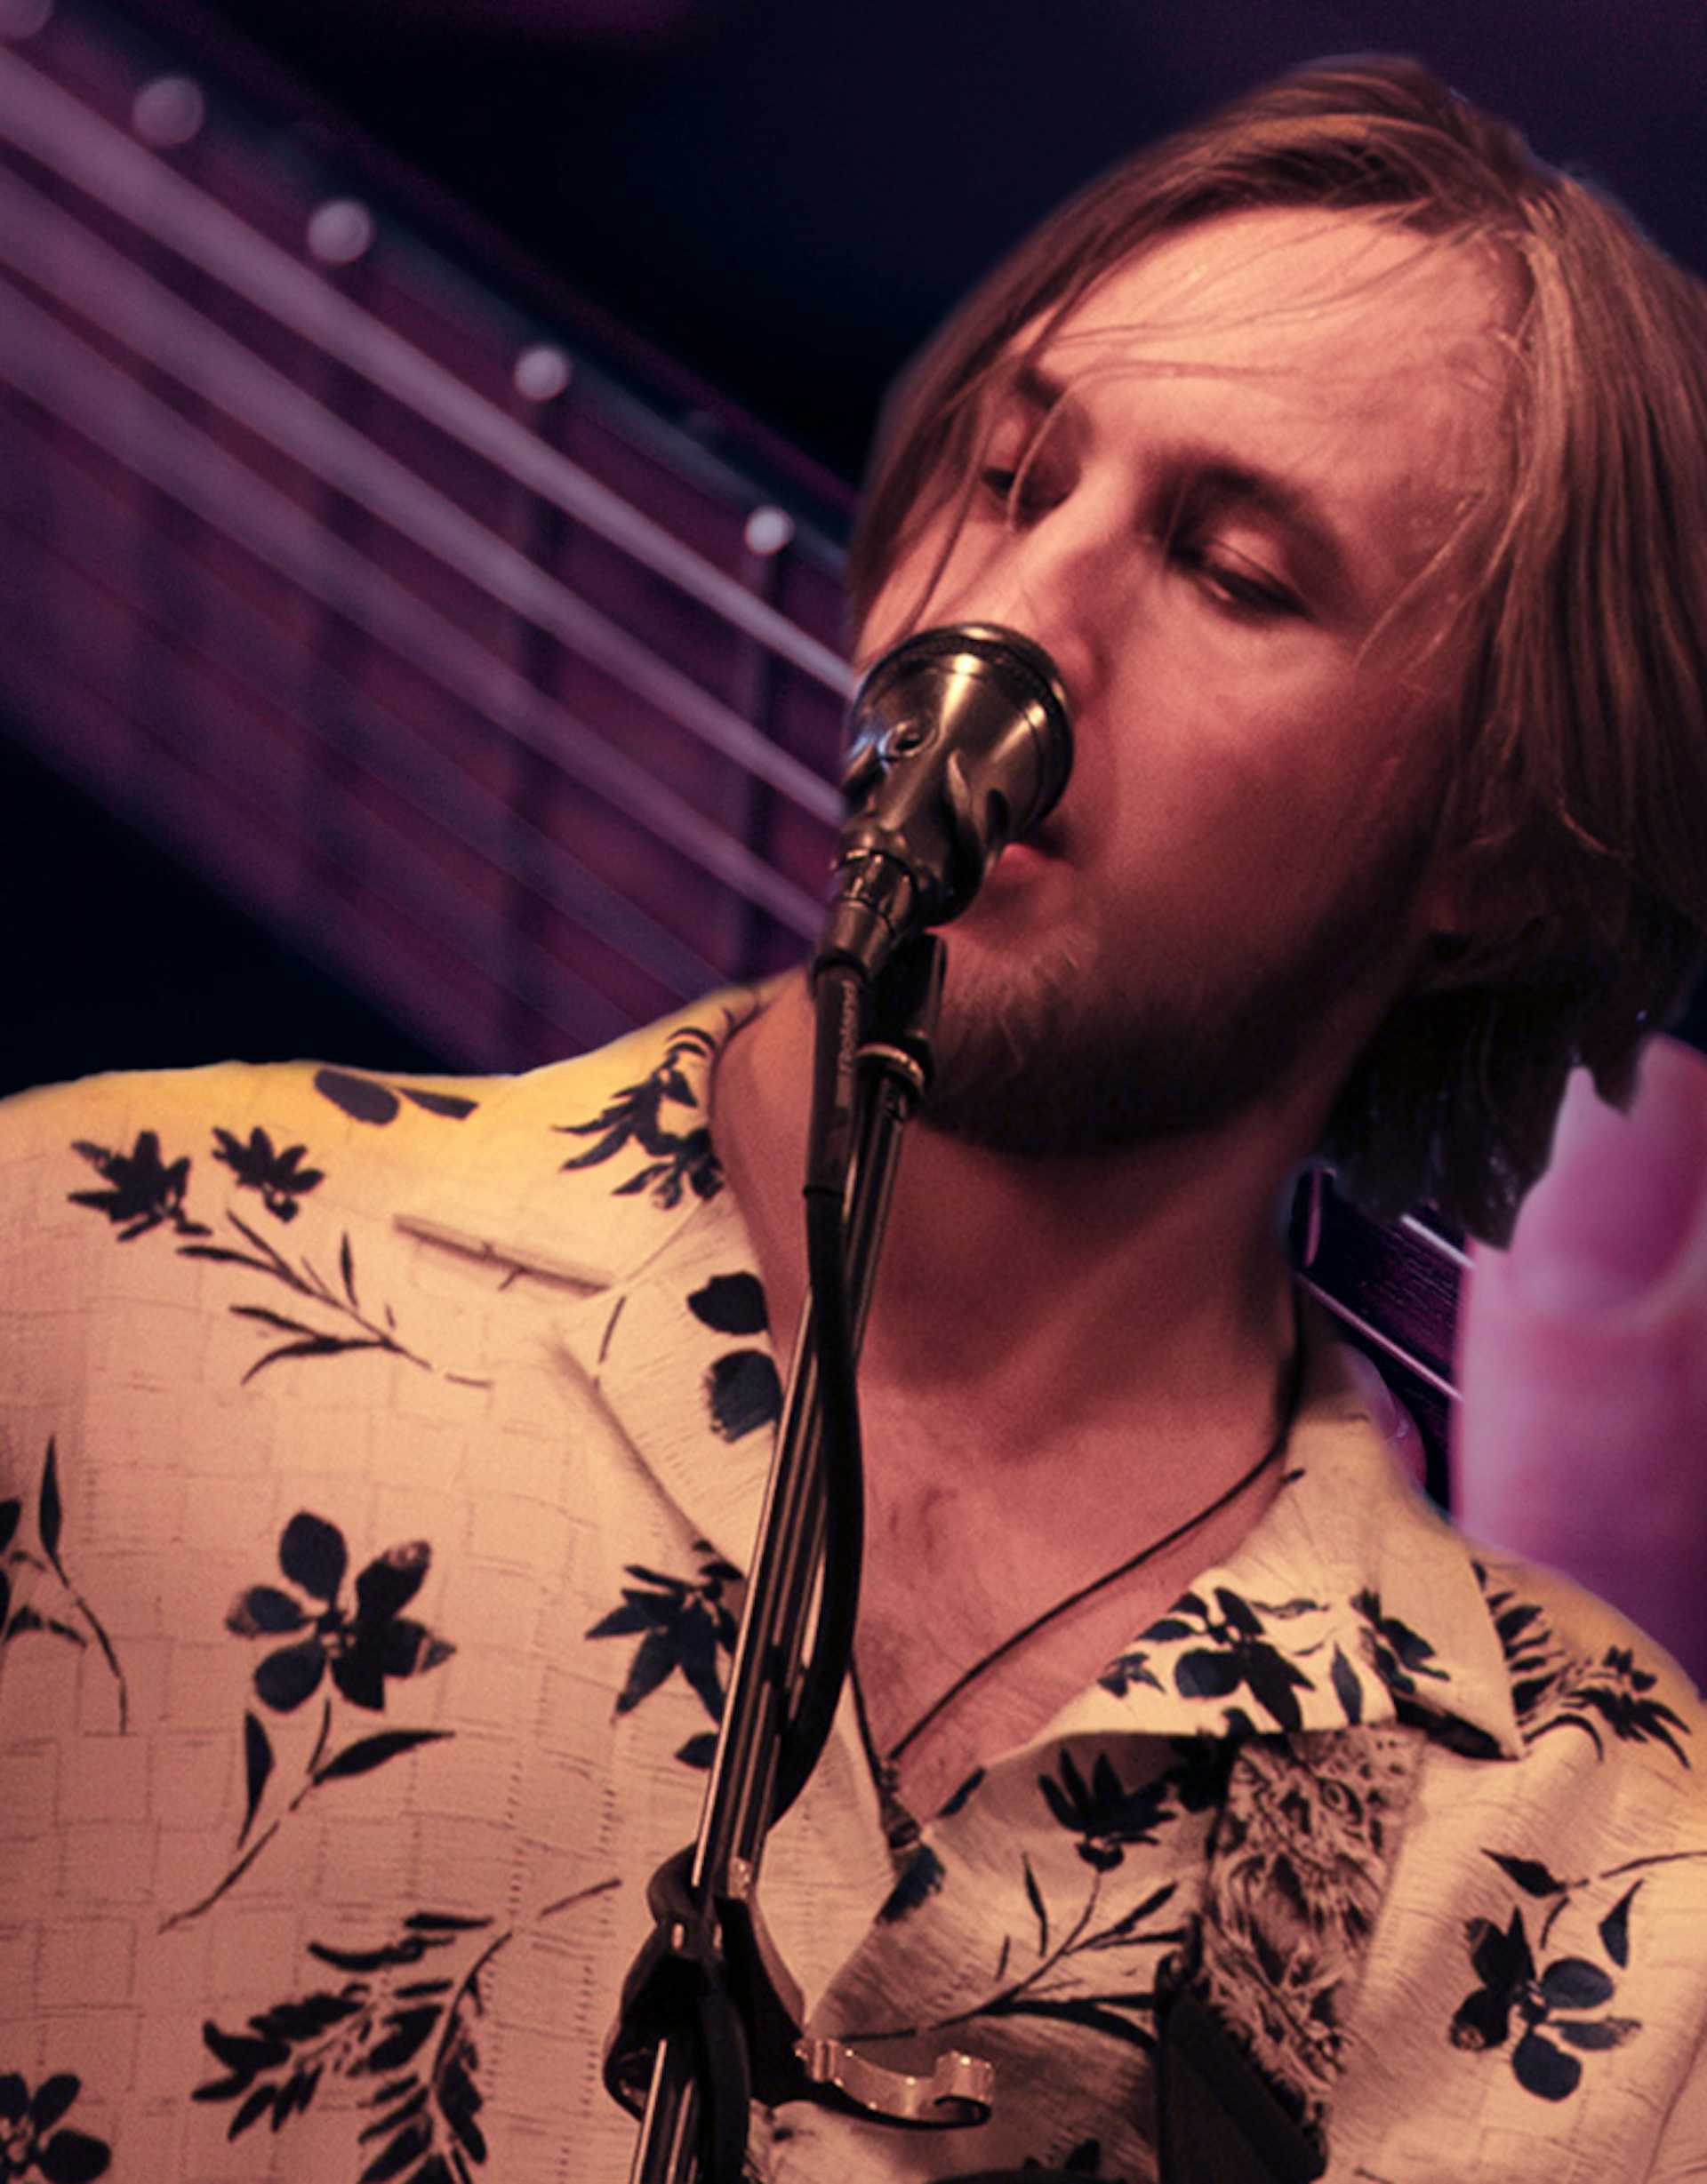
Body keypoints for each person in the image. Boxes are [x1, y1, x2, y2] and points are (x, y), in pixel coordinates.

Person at [3, 54, 1707, 2184]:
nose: (1011, 627)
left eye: (1234, 570)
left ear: (1496, 848)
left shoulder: (1619, 1880)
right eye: (1009, 480)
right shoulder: (93, 1277)